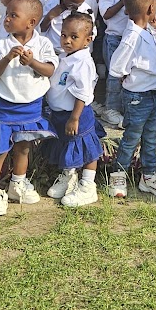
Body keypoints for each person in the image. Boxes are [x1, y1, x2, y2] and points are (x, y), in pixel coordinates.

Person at [0, 0, 59, 216]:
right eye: (7, 14)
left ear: (31, 23)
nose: (6, 19)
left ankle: (17, 183)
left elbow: (50, 70)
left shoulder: (43, 44)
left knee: (23, 145)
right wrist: (7, 59)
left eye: (13, 15)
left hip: (31, 105)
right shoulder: (2, 45)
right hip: (5, 105)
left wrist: (31, 62)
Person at [107, 0, 156, 199]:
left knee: (150, 137)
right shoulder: (132, 37)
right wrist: (126, 77)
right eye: (154, 4)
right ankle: (118, 174)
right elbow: (116, 67)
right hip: (138, 97)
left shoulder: (147, 30)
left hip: (152, 95)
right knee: (132, 137)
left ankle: (149, 175)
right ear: (150, 8)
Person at [44, 12, 104, 209]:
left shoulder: (83, 62)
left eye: (74, 37)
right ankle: (69, 176)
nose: (67, 40)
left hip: (76, 114)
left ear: (88, 40)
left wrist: (75, 117)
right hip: (60, 115)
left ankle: (88, 185)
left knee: (86, 148)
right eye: (64, 35)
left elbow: (82, 93)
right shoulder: (64, 56)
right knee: (66, 145)